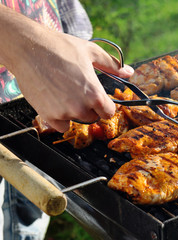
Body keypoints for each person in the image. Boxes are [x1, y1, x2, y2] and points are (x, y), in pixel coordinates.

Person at [0, 1, 134, 239]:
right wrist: (26, 47)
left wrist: (69, 43)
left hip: (45, 96)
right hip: (39, 64)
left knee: (26, 225)